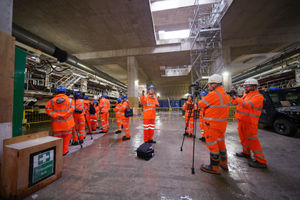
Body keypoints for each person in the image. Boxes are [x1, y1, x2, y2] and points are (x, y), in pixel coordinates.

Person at [229, 78, 267, 168]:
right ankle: (246, 152)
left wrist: (236, 97)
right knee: (243, 138)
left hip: (250, 122)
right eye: (245, 86)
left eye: (247, 86)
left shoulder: (258, 97)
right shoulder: (246, 95)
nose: (245, 88)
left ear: (253, 86)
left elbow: (247, 105)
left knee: (252, 141)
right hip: (242, 120)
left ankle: (261, 160)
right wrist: (232, 97)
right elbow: (236, 103)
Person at [198, 74, 230, 174]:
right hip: (221, 124)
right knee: (221, 143)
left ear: (214, 84)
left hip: (212, 125)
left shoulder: (214, 94)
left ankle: (214, 167)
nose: (209, 86)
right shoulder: (224, 93)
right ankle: (223, 163)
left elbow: (201, 104)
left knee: (212, 144)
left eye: (210, 84)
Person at [46, 86, 75, 156]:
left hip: (56, 125)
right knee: (66, 139)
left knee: (57, 139)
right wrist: (65, 115)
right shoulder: (70, 100)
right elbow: (72, 109)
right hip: (67, 124)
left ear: (56, 92)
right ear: (65, 92)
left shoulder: (51, 101)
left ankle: (57, 152)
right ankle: (64, 152)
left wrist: (56, 115)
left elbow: (48, 110)